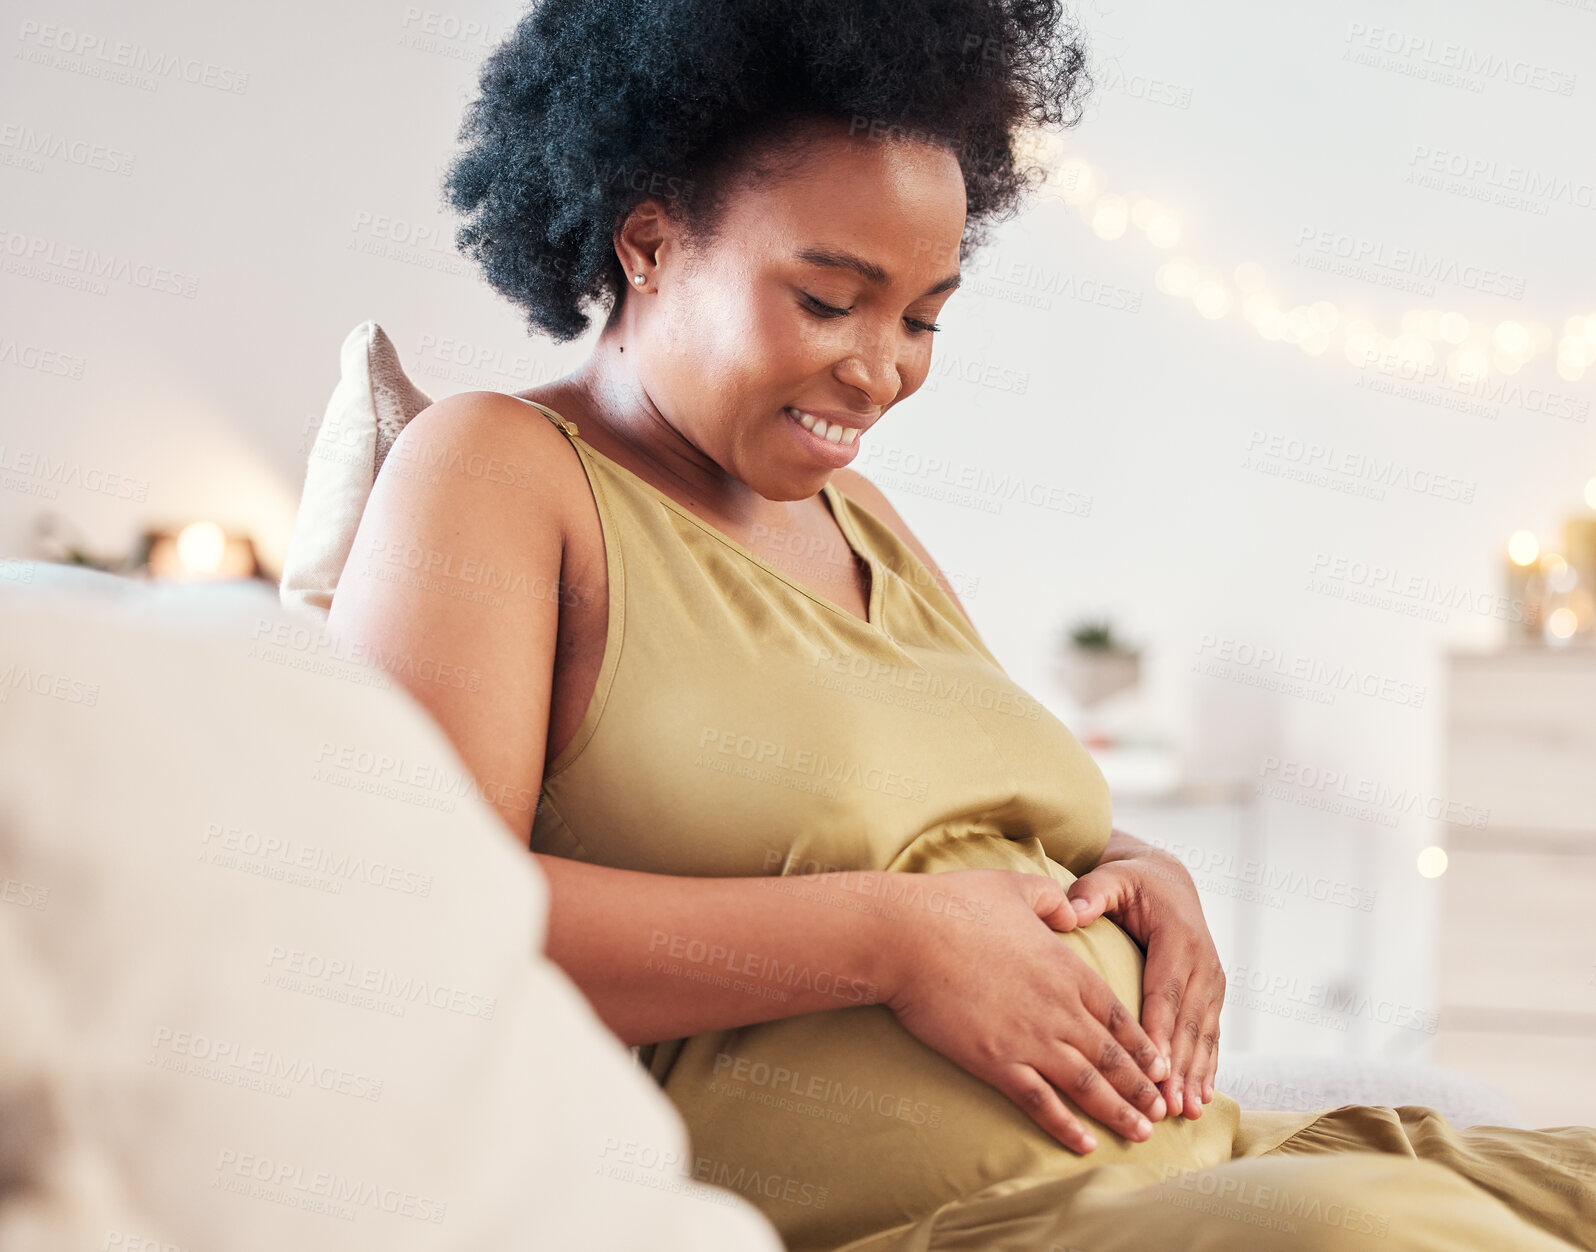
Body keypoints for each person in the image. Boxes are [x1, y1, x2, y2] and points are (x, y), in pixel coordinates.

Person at [325, 1, 1596, 1248]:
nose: (882, 370)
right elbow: (416, 913)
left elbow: (970, 816)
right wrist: (890, 943)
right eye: (830, 301)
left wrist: (1149, 874)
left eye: (924, 316)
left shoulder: (858, 514)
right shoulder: (497, 469)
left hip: (1202, 1167)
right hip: (968, 1220)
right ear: (648, 242)